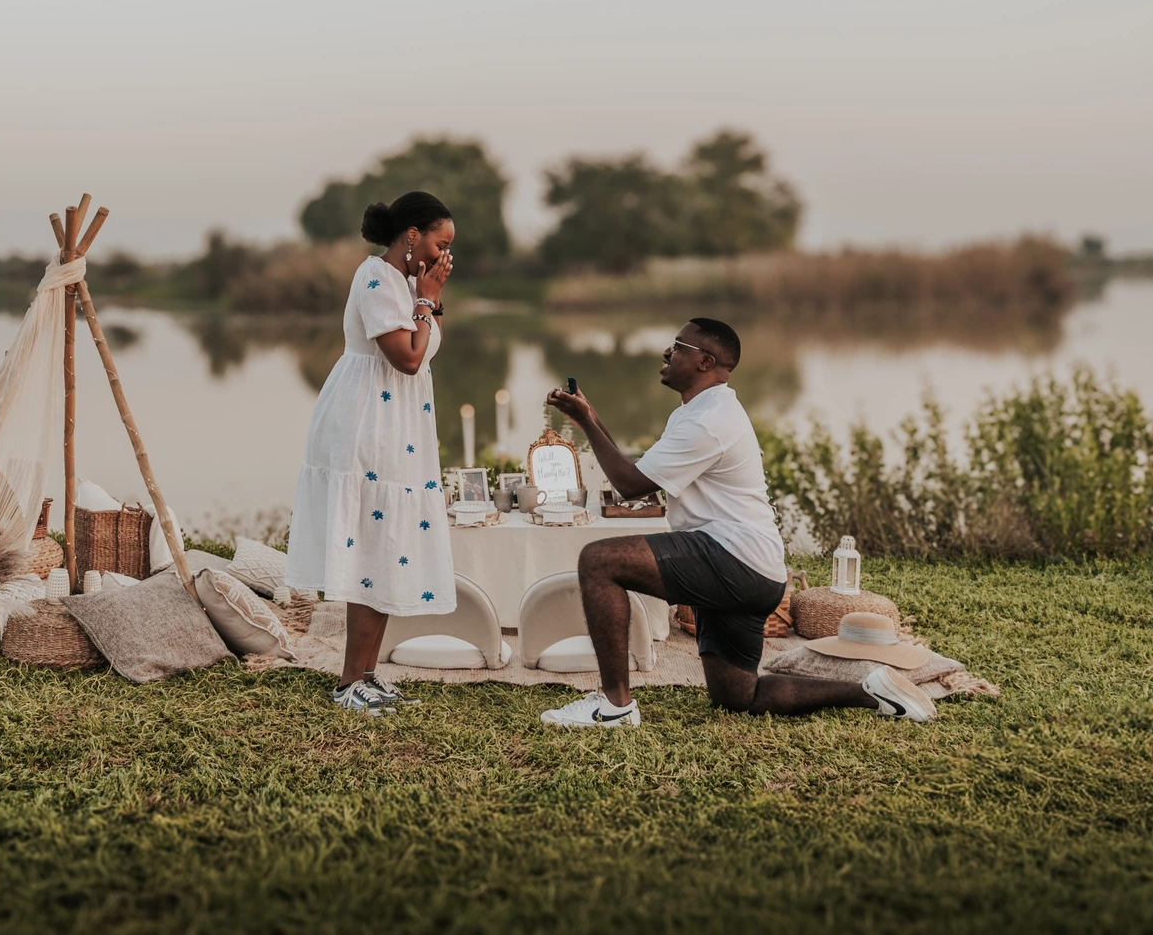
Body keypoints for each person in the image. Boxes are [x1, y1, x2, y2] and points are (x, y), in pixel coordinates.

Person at [537, 317, 936, 728]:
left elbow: (629, 485)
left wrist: (585, 423)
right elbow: (638, 471)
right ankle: (870, 690)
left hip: (733, 558)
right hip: (755, 568)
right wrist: (590, 414)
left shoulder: (707, 421)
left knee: (599, 561)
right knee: (740, 696)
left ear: (706, 361)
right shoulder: (705, 410)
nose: (667, 352)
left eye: (677, 346)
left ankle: (614, 706)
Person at [284, 191, 456, 715]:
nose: (446, 255)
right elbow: (406, 357)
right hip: (369, 422)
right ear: (412, 236)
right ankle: (347, 682)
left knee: (387, 544)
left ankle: (366, 675)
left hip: (400, 421)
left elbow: (421, 349)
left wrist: (426, 295)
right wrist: (426, 301)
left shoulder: (406, 283)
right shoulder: (376, 278)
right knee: (373, 544)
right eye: (440, 243)